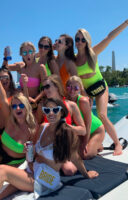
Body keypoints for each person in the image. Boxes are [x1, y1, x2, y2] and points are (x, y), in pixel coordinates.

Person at [0, 98, 98, 200]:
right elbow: (32, 149)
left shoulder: (66, 134)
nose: (51, 113)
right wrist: (29, 157)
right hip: (33, 170)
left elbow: (74, 158)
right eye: (47, 110)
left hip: (48, 178)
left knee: (3, 170)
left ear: (62, 112)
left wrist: (86, 174)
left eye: (55, 110)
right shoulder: (43, 127)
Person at [75, 20, 128, 155]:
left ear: (87, 41)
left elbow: (109, 37)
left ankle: (117, 144)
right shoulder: (73, 60)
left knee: (102, 115)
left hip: (100, 88)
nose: (80, 41)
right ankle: (96, 143)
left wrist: (126, 23)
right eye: (77, 39)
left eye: (83, 39)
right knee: (85, 116)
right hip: (87, 91)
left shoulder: (93, 52)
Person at [0, 68, 36, 169]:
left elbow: (33, 155)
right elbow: (2, 97)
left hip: (11, 163)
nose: (17, 108)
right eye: (14, 106)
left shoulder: (32, 129)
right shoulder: (10, 120)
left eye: (21, 106)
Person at [39, 74, 86, 175]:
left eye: (47, 86)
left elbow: (83, 130)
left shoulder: (71, 106)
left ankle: (54, 164)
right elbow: (37, 127)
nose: (45, 90)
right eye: (43, 88)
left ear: (56, 86)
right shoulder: (42, 106)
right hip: (47, 147)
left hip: (63, 146)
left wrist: (68, 127)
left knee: (70, 170)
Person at [66, 76, 105, 159]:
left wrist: (84, 142)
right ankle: (96, 145)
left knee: (84, 155)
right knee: (69, 152)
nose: (72, 90)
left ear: (80, 89)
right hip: (81, 132)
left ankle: (97, 145)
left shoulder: (83, 101)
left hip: (95, 130)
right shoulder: (65, 100)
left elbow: (88, 123)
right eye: (69, 87)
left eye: (76, 88)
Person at [4, 42, 47, 108]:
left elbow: (46, 87)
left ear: (34, 53)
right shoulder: (20, 66)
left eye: (30, 51)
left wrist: (35, 100)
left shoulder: (40, 67)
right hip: (22, 101)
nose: (28, 55)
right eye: (24, 53)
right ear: (21, 55)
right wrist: (5, 58)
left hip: (36, 101)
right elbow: (4, 68)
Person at [0, 67, 17, 145]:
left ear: (10, 78)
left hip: (10, 130)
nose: (3, 79)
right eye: (0, 77)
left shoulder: (16, 93)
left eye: (6, 77)